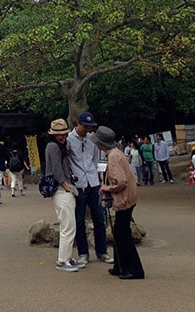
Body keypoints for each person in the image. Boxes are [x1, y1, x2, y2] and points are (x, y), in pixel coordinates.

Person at [92, 126, 145, 280]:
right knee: (120, 232)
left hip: (124, 199)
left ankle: (134, 269)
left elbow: (120, 182)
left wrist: (106, 187)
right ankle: (120, 265)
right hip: (129, 197)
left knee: (122, 234)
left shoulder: (113, 157)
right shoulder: (118, 153)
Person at [67, 111, 114, 265]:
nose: (87, 129)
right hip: (79, 183)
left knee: (99, 218)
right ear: (77, 123)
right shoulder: (68, 140)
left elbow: (95, 158)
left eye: (90, 126)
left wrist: (94, 173)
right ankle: (83, 252)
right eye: (85, 126)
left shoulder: (92, 140)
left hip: (93, 182)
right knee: (79, 220)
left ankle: (102, 251)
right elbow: (68, 160)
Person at [44, 118, 83, 272]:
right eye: (59, 134)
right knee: (68, 225)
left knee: (69, 225)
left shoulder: (58, 146)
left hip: (64, 187)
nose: (62, 136)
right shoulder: (53, 147)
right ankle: (62, 260)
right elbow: (56, 169)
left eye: (64, 134)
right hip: (61, 188)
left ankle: (67, 257)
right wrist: (66, 186)